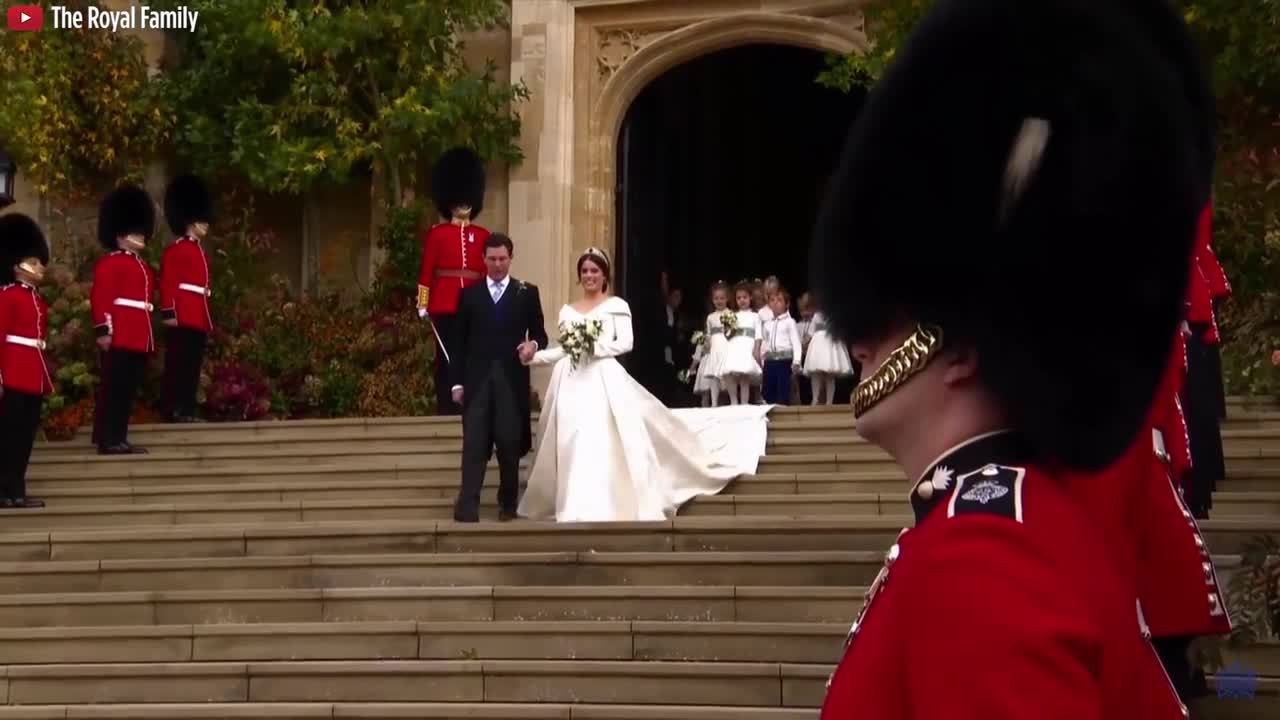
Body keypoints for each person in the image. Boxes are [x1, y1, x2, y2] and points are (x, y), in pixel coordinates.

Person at [810, 0, 1204, 717]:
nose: (857, 339)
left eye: (887, 313)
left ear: (963, 346)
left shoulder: (980, 557)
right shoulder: (1002, 529)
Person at [519, 247, 770, 523]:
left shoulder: (616, 306)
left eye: (595, 270)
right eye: (585, 271)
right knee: (571, 438)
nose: (589, 275)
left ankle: (601, 501)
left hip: (602, 377)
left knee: (597, 438)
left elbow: (625, 343)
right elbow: (565, 349)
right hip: (570, 380)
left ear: (604, 275)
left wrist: (592, 348)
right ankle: (573, 502)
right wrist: (534, 357)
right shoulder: (568, 311)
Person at [448, 233, 546, 523]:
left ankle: (508, 503)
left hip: (511, 381)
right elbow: (457, 342)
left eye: (503, 258)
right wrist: (456, 383)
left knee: (508, 442)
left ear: (511, 258)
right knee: (474, 443)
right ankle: (468, 506)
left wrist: (532, 346)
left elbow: (540, 334)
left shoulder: (527, 293)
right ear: (483, 259)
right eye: (492, 259)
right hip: (476, 381)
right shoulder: (469, 295)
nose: (498, 264)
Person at [418, 147, 490, 416]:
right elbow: (427, 271)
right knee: (446, 356)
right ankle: (446, 405)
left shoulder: (482, 235)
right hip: (444, 302)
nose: (464, 203)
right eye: (459, 199)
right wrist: (423, 303)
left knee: (472, 354)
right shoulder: (437, 234)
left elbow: (486, 273)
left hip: (473, 303)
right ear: (449, 202)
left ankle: (471, 403)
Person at [91, 184, 157, 456]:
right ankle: (108, 438)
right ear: (119, 234)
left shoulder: (142, 266)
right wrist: (104, 330)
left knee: (127, 390)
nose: (141, 235)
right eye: (135, 231)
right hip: (120, 333)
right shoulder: (110, 263)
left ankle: (118, 436)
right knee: (114, 389)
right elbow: (102, 298)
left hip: (138, 334)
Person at [0, 213, 52, 508]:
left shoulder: (37, 299)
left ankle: (16, 489)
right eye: (33, 261)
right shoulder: (7, 296)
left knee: (24, 436)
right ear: (16, 264)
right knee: (7, 434)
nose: (39, 267)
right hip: (11, 372)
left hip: (32, 372)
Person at [159, 174, 214, 423]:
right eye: (202, 220)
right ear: (190, 220)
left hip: (197, 313)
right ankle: (173, 407)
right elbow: (169, 283)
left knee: (192, 364)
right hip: (182, 313)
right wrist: (169, 311)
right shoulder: (177, 249)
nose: (207, 224)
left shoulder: (199, 250)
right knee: (178, 363)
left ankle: (187, 409)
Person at [760, 288, 802, 405]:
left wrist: (796, 360)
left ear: (786, 304)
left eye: (779, 300)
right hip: (770, 361)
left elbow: (796, 342)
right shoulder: (767, 324)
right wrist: (762, 360)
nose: (775, 303)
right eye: (772, 300)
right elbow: (765, 342)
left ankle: (783, 410)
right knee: (768, 390)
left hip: (784, 360)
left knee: (783, 389)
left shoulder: (790, 322)